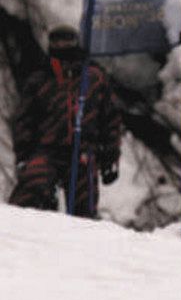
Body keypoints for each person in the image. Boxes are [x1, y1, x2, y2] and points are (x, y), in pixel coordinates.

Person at [8, 25, 122, 218]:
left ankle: (78, 243)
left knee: (84, 210)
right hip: (46, 149)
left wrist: (110, 157)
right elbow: (24, 120)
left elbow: (110, 118)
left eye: (67, 40)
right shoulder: (40, 78)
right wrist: (23, 156)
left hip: (83, 150)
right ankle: (28, 235)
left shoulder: (93, 78)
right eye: (57, 41)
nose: (62, 45)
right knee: (28, 195)